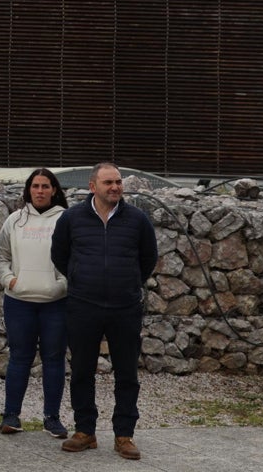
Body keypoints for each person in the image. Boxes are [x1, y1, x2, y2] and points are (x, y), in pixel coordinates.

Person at [51, 162, 158, 460]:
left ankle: (124, 435)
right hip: (83, 306)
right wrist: (79, 277)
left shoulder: (137, 219)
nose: (115, 187)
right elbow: (59, 254)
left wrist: (130, 282)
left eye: (118, 182)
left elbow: (148, 257)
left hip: (124, 308)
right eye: (108, 182)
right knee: (82, 370)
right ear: (92, 186)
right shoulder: (72, 218)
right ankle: (85, 431)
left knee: (127, 373)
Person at [0, 168, 69, 438]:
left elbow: (76, 258)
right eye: (35, 186)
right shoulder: (15, 220)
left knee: (54, 360)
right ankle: (11, 415)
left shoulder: (66, 219)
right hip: (19, 301)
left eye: (45, 186)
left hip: (56, 303)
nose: (40, 191)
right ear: (28, 189)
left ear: (54, 189)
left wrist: (62, 284)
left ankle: (52, 418)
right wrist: (10, 280)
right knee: (19, 359)